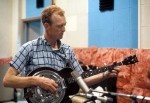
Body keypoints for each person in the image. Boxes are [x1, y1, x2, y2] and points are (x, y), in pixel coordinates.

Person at [3, 5, 120, 103]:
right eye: (59, 26)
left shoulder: (67, 50)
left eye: (64, 24)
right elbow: (7, 80)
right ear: (46, 26)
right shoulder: (29, 48)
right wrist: (36, 80)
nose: (64, 29)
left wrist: (105, 74)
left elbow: (81, 79)